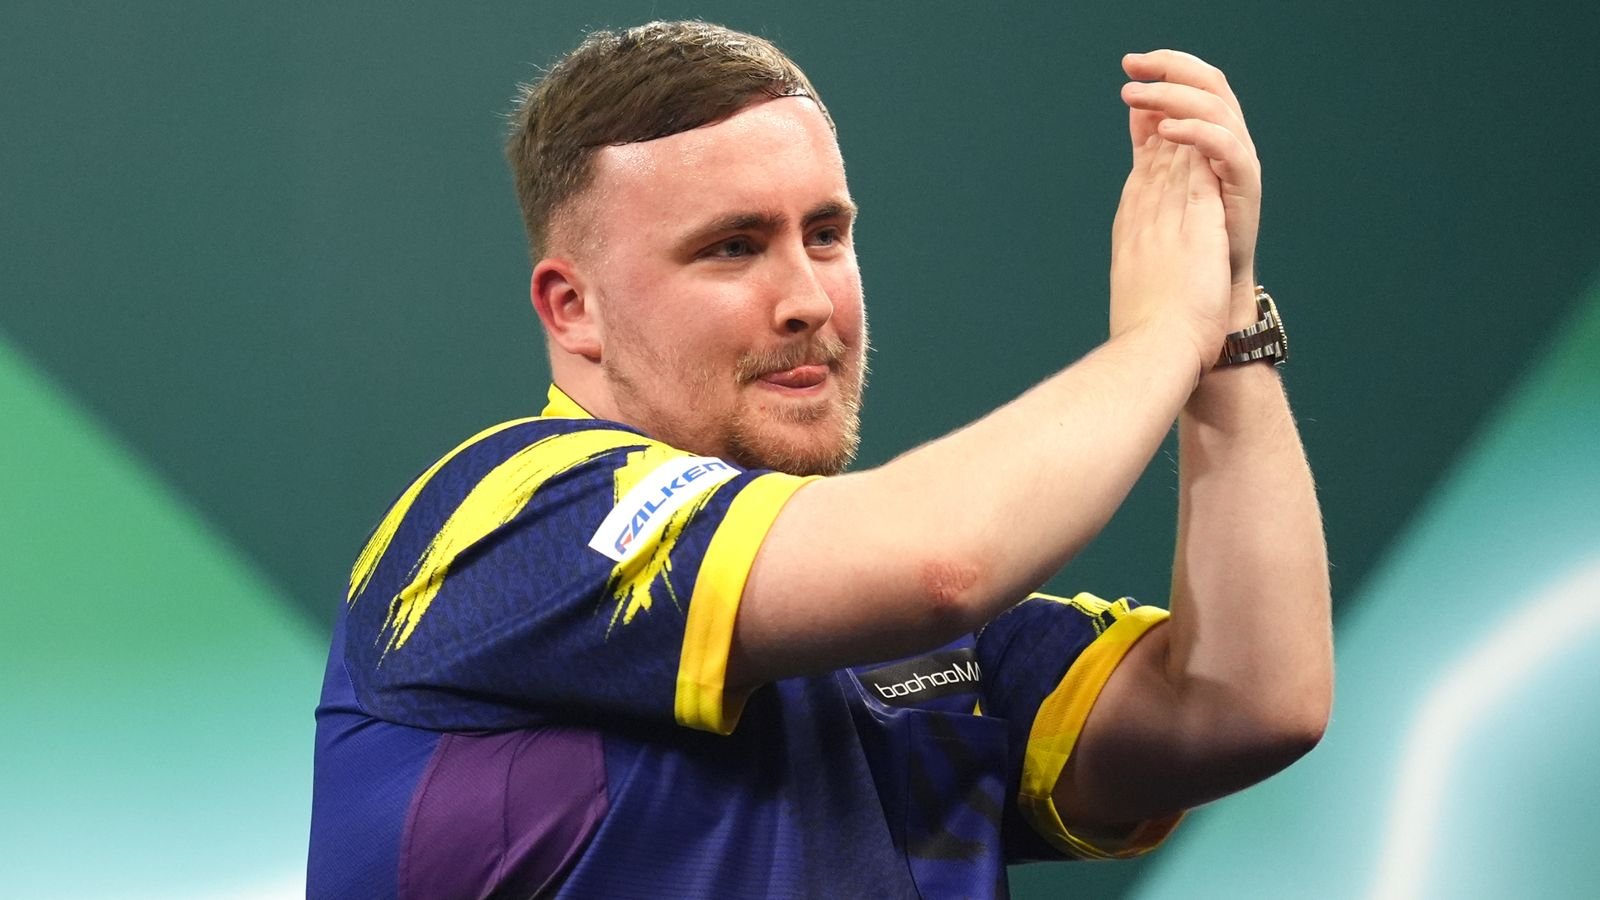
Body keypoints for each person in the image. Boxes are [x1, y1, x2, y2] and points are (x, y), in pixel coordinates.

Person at [308, 20, 1332, 899]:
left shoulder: (894, 632)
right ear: (574, 309)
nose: (807, 298)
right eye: (733, 247)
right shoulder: (506, 521)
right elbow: (942, 563)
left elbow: (1246, 705)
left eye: (827, 234)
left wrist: (1225, 319)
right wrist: (1163, 334)